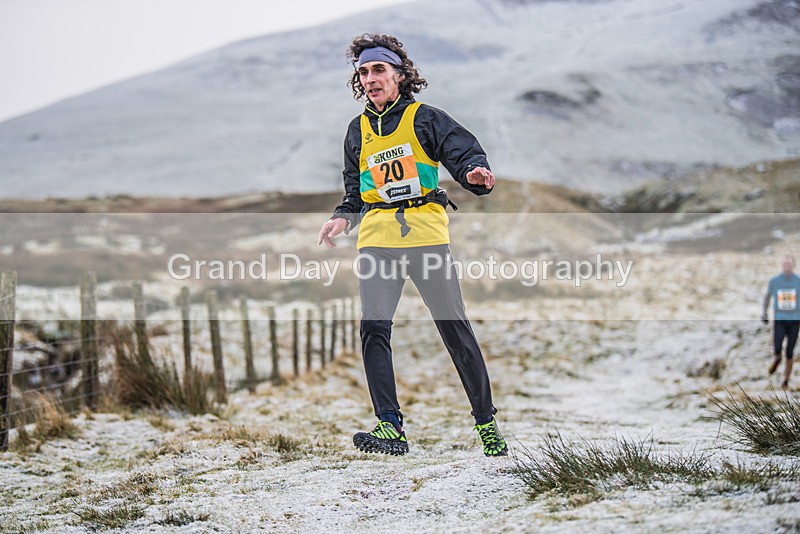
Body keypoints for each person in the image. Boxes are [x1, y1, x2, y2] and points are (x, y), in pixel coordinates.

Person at [317, 33, 507, 457]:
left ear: (400, 75)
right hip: (377, 241)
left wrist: (475, 172)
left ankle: (487, 425)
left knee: (454, 329)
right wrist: (341, 218)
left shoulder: (426, 118)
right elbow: (356, 191)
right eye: (363, 72)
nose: (369, 78)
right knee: (373, 329)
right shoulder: (357, 130)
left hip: (425, 238)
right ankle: (389, 427)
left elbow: (463, 153)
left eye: (378, 69)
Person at [762, 254, 800, 389]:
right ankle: (776, 359)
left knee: (790, 351)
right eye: (785, 265)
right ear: (781, 266)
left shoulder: (798, 281)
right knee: (777, 349)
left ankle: (785, 380)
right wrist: (764, 312)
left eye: (789, 265)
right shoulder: (775, 281)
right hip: (779, 320)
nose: (787, 267)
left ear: (793, 266)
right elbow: (767, 296)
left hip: (795, 321)